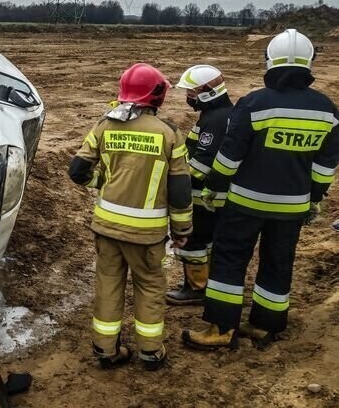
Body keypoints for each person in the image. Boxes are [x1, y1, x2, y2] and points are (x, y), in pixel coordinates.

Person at [183, 29, 339, 350]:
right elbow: (325, 166)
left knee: (229, 261)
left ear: (269, 62)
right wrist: (314, 198)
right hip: (292, 208)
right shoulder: (327, 111)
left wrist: (214, 187)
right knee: (278, 263)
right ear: (309, 64)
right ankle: (265, 327)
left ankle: (222, 328)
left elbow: (228, 157)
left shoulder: (254, 103)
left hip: (245, 204)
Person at [69, 63, 193, 370]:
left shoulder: (104, 126)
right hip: (147, 234)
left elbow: (77, 171)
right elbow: (180, 190)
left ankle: (105, 350)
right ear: (158, 96)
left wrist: (103, 183)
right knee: (150, 286)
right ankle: (151, 352)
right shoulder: (169, 135)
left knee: (108, 284)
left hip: (107, 227)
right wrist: (182, 228)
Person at [166, 65, 233, 305]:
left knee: (195, 242)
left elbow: (202, 165)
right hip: (213, 196)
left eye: (192, 92)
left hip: (205, 197)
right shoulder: (217, 115)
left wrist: (175, 178)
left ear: (208, 91)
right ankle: (202, 284)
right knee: (208, 242)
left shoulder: (215, 120)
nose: (188, 97)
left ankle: (196, 289)